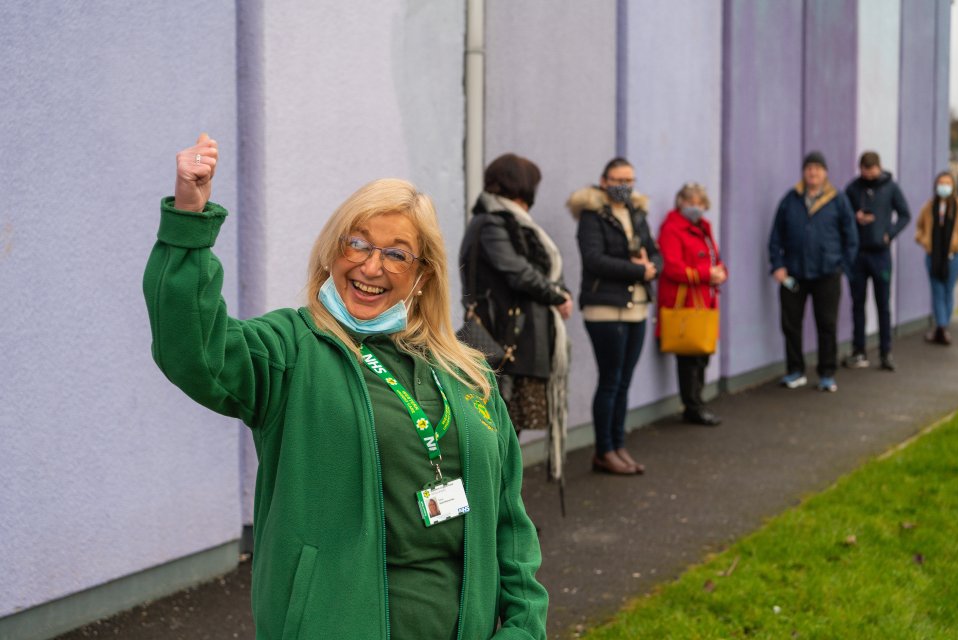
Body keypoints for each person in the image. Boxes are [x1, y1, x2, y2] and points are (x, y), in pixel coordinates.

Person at [144, 134, 548, 639]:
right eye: (357, 243)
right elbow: (194, 348)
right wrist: (189, 220)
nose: (370, 266)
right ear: (333, 252)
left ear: (423, 275)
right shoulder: (290, 349)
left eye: (396, 254)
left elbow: (511, 527)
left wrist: (524, 628)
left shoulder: (469, 375)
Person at [458, 153, 572, 486]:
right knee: (498, 433)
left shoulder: (512, 223)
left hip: (520, 345)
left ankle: (504, 513)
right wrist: (557, 294)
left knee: (509, 435)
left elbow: (536, 270)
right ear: (520, 185)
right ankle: (495, 516)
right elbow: (518, 273)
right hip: (504, 344)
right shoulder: (491, 222)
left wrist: (557, 290)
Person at [567, 157, 661, 475]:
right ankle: (604, 450)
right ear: (604, 181)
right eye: (618, 179)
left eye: (630, 180)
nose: (625, 186)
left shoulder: (637, 212)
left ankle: (619, 446)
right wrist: (639, 269)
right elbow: (594, 260)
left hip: (637, 307)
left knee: (624, 382)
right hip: (604, 308)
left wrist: (654, 268)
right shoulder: (592, 216)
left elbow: (655, 251)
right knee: (610, 380)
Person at [768, 151, 858, 393]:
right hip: (794, 274)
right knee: (790, 324)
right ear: (804, 172)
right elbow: (776, 236)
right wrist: (777, 265)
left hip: (827, 273)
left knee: (826, 324)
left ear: (825, 172)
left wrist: (841, 266)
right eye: (809, 168)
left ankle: (827, 373)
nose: (813, 172)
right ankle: (795, 371)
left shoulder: (837, 200)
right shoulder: (790, 199)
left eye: (818, 168)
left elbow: (851, 237)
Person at [657, 182, 727, 426]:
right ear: (680, 203)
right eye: (690, 202)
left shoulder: (704, 228)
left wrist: (720, 272)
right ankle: (692, 405)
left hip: (704, 302)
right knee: (689, 356)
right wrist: (706, 274)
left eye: (699, 203)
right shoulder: (672, 228)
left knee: (703, 354)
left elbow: (714, 258)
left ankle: (698, 400)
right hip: (685, 302)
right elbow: (672, 267)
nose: (695, 207)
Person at [842, 151, 911, 371]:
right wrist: (856, 217)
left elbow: (904, 214)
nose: (869, 174)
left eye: (872, 170)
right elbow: (843, 214)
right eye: (865, 170)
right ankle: (859, 350)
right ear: (860, 168)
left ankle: (885, 351)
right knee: (857, 304)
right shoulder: (853, 188)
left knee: (883, 304)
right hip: (858, 255)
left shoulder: (890, 187)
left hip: (880, 254)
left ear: (879, 168)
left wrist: (889, 233)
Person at [915, 171, 958, 345]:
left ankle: (943, 326)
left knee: (948, 291)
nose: (944, 186)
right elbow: (919, 228)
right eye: (941, 183)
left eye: (947, 183)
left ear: (953, 186)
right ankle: (941, 327)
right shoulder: (929, 206)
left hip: (953, 257)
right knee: (937, 292)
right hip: (933, 256)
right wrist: (925, 241)